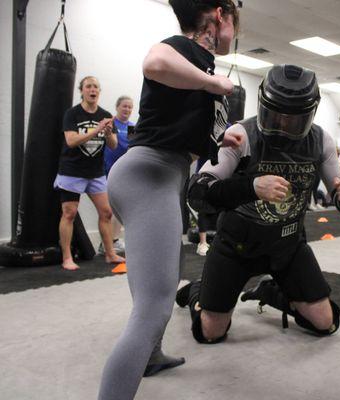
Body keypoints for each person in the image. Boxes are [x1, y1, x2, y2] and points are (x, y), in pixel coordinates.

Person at [98, 2, 240, 399]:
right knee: (154, 306)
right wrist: (214, 85)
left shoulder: (200, 63)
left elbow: (176, 121)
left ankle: (152, 354)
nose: (235, 32)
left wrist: (221, 136)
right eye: (234, 22)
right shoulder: (185, 49)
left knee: (166, 273)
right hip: (149, 177)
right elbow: (154, 61)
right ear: (218, 15)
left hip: (158, 178)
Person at [176, 64, 340, 345]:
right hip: (236, 247)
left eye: (294, 120)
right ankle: (197, 292)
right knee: (211, 332)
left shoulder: (320, 139)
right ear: (263, 105)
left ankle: (272, 291)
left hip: (287, 247)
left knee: (326, 322)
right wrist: (251, 186)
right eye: (275, 117)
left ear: (309, 115)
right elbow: (198, 193)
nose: (284, 126)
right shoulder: (241, 134)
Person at [53, 76, 125, 271]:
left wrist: (108, 132)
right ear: (82, 91)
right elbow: (71, 141)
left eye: (96, 87)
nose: (92, 89)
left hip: (95, 172)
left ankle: (110, 253)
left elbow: (113, 145)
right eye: (88, 86)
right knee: (69, 213)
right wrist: (97, 129)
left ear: (99, 92)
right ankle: (67, 257)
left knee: (106, 212)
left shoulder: (106, 115)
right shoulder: (72, 114)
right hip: (72, 170)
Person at [98, 96, 135, 255]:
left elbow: (133, 147)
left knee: (121, 207)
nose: (127, 109)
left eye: (129, 107)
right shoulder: (110, 123)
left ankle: (114, 239)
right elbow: (112, 145)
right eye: (124, 106)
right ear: (117, 107)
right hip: (109, 170)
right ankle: (106, 243)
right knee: (107, 209)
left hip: (126, 171)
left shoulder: (133, 126)